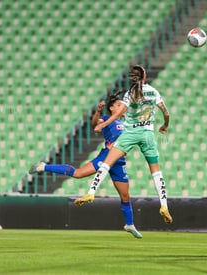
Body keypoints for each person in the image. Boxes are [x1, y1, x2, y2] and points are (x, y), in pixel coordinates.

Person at [29, 93, 143, 238]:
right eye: (119, 105)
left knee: (125, 195)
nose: (122, 107)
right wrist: (98, 111)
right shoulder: (108, 119)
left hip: (119, 161)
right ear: (112, 108)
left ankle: (129, 224)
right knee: (78, 174)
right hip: (106, 156)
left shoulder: (126, 123)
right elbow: (95, 124)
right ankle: (43, 166)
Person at [74, 65, 173, 225]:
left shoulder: (130, 94)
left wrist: (102, 125)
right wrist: (165, 126)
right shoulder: (153, 91)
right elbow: (166, 113)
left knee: (107, 163)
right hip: (148, 135)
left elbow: (119, 114)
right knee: (156, 171)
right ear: (144, 77)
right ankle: (164, 205)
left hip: (131, 133)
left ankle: (91, 192)